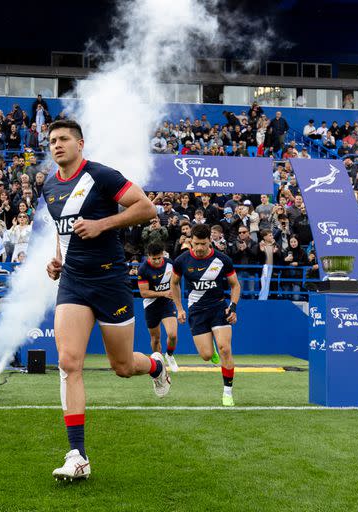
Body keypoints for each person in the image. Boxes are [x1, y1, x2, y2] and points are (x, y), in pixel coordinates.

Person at [43, 119, 168, 481]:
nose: (57, 145)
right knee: (68, 363)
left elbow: (146, 209)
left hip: (110, 281)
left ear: (80, 143)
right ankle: (77, 455)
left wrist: (102, 225)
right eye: (52, 141)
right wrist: (58, 262)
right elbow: (61, 229)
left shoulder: (102, 176)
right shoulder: (50, 185)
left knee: (123, 366)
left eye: (64, 139)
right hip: (73, 283)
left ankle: (156, 367)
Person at [171, 224, 241, 407]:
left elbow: (235, 285)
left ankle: (227, 392)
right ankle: (213, 352)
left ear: (210, 240)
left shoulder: (222, 259)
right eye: (196, 244)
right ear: (190, 241)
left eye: (203, 243)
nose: (200, 248)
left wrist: (233, 307)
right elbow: (174, 284)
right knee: (206, 355)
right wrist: (179, 308)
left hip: (219, 307)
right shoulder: (181, 261)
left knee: (225, 348)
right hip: (196, 310)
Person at [137, 243, 179, 372]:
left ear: (163, 254)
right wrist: (163, 293)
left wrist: (179, 306)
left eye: (159, 258)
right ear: (148, 256)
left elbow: (175, 284)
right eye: (153, 258)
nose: (156, 261)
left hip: (167, 303)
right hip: (151, 305)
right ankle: (159, 364)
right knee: (155, 339)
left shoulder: (169, 264)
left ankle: (170, 355)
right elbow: (143, 293)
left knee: (172, 335)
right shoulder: (143, 269)